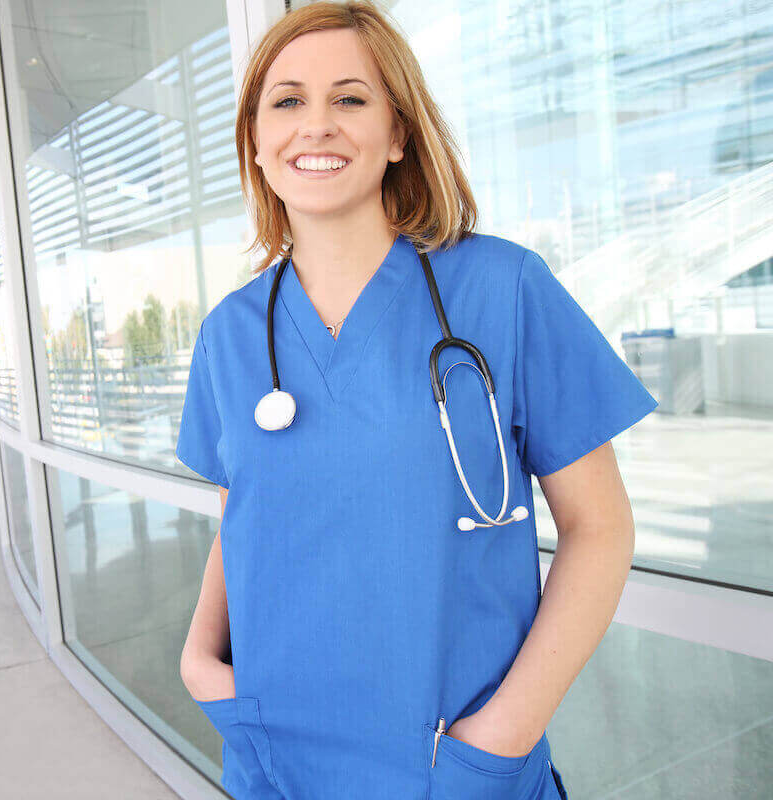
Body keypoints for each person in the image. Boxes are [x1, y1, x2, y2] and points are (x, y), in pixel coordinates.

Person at [175, 2, 657, 799]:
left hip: (454, 764)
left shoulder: (502, 288)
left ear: (398, 134)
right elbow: (243, 518)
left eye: (351, 98)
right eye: (287, 101)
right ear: (256, 145)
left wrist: (502, 737)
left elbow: (599, 528)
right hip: (274, 762)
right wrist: (201, 662)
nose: (317, 124)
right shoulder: (228, 335)